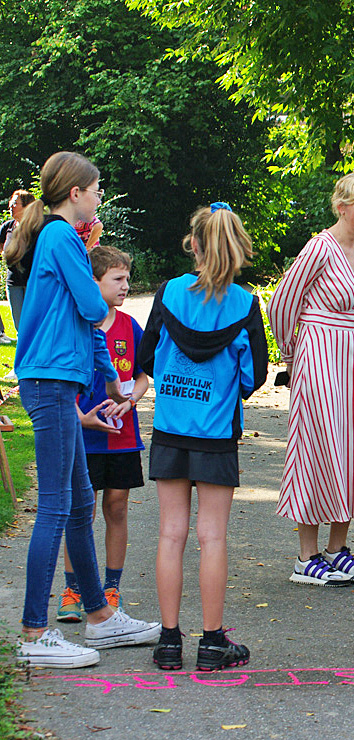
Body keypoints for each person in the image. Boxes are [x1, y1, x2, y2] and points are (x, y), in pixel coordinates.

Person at [12, 151, 160, 669]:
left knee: (78, 502)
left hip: (60, 380)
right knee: (57, 505)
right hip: (50, 382)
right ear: (75, 193)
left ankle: (99, 617)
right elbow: (95, 307)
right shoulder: (60, 236)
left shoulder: (63, 239)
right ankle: (34, 632)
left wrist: (117, 384)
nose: (99, 198)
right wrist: (92, 277)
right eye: (96, 190)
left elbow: (89, 324)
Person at [138, 203, 269, 671]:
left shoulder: (169, 292)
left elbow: (147, 356)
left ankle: (169, 641)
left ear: (193, 244)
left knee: (170, 533)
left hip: (172, 428)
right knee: (212, 537)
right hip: (216, 433)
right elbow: (254, 375)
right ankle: (212, 642)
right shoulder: (245, 304)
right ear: (237, 248)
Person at [269, 173, 354, 586]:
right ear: (341, 206)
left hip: (350, 354)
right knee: (317, 446)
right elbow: (282, 302)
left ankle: (337, 549)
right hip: (317, 351)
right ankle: (306, 556)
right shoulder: (320, 246)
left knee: (353, 446)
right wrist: (291, 352)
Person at [57, 246, 149, 623]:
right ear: (93, 282)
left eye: (127, 278)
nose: (126, 286)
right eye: (117, 279)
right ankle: (73, 590)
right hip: (83, 438)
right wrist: (80, 419)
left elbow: (142, 376)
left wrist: (131, 401)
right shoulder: (76, 325)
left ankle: (111, 588)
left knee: (117, 507)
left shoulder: (130, 326)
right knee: (82, 511)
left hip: (122, 438)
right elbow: (61, 382)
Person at [0, 189, 34, 342]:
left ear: (26, 205)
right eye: (11, 203)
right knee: (20, 325)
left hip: (33, 281)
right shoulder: (7, 227)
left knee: (34, 323)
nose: (11, 206)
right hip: (13, 281)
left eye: (15, 203)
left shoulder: (36, 228)